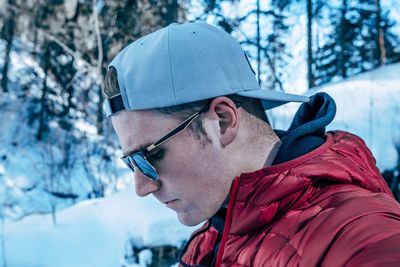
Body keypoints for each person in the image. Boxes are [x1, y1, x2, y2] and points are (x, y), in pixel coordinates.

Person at [103, 22, 400, 267]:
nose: (141, 187)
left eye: (149, 156)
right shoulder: (212, 237)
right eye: (131, 162)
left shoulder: (360, 237)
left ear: (222, 121)